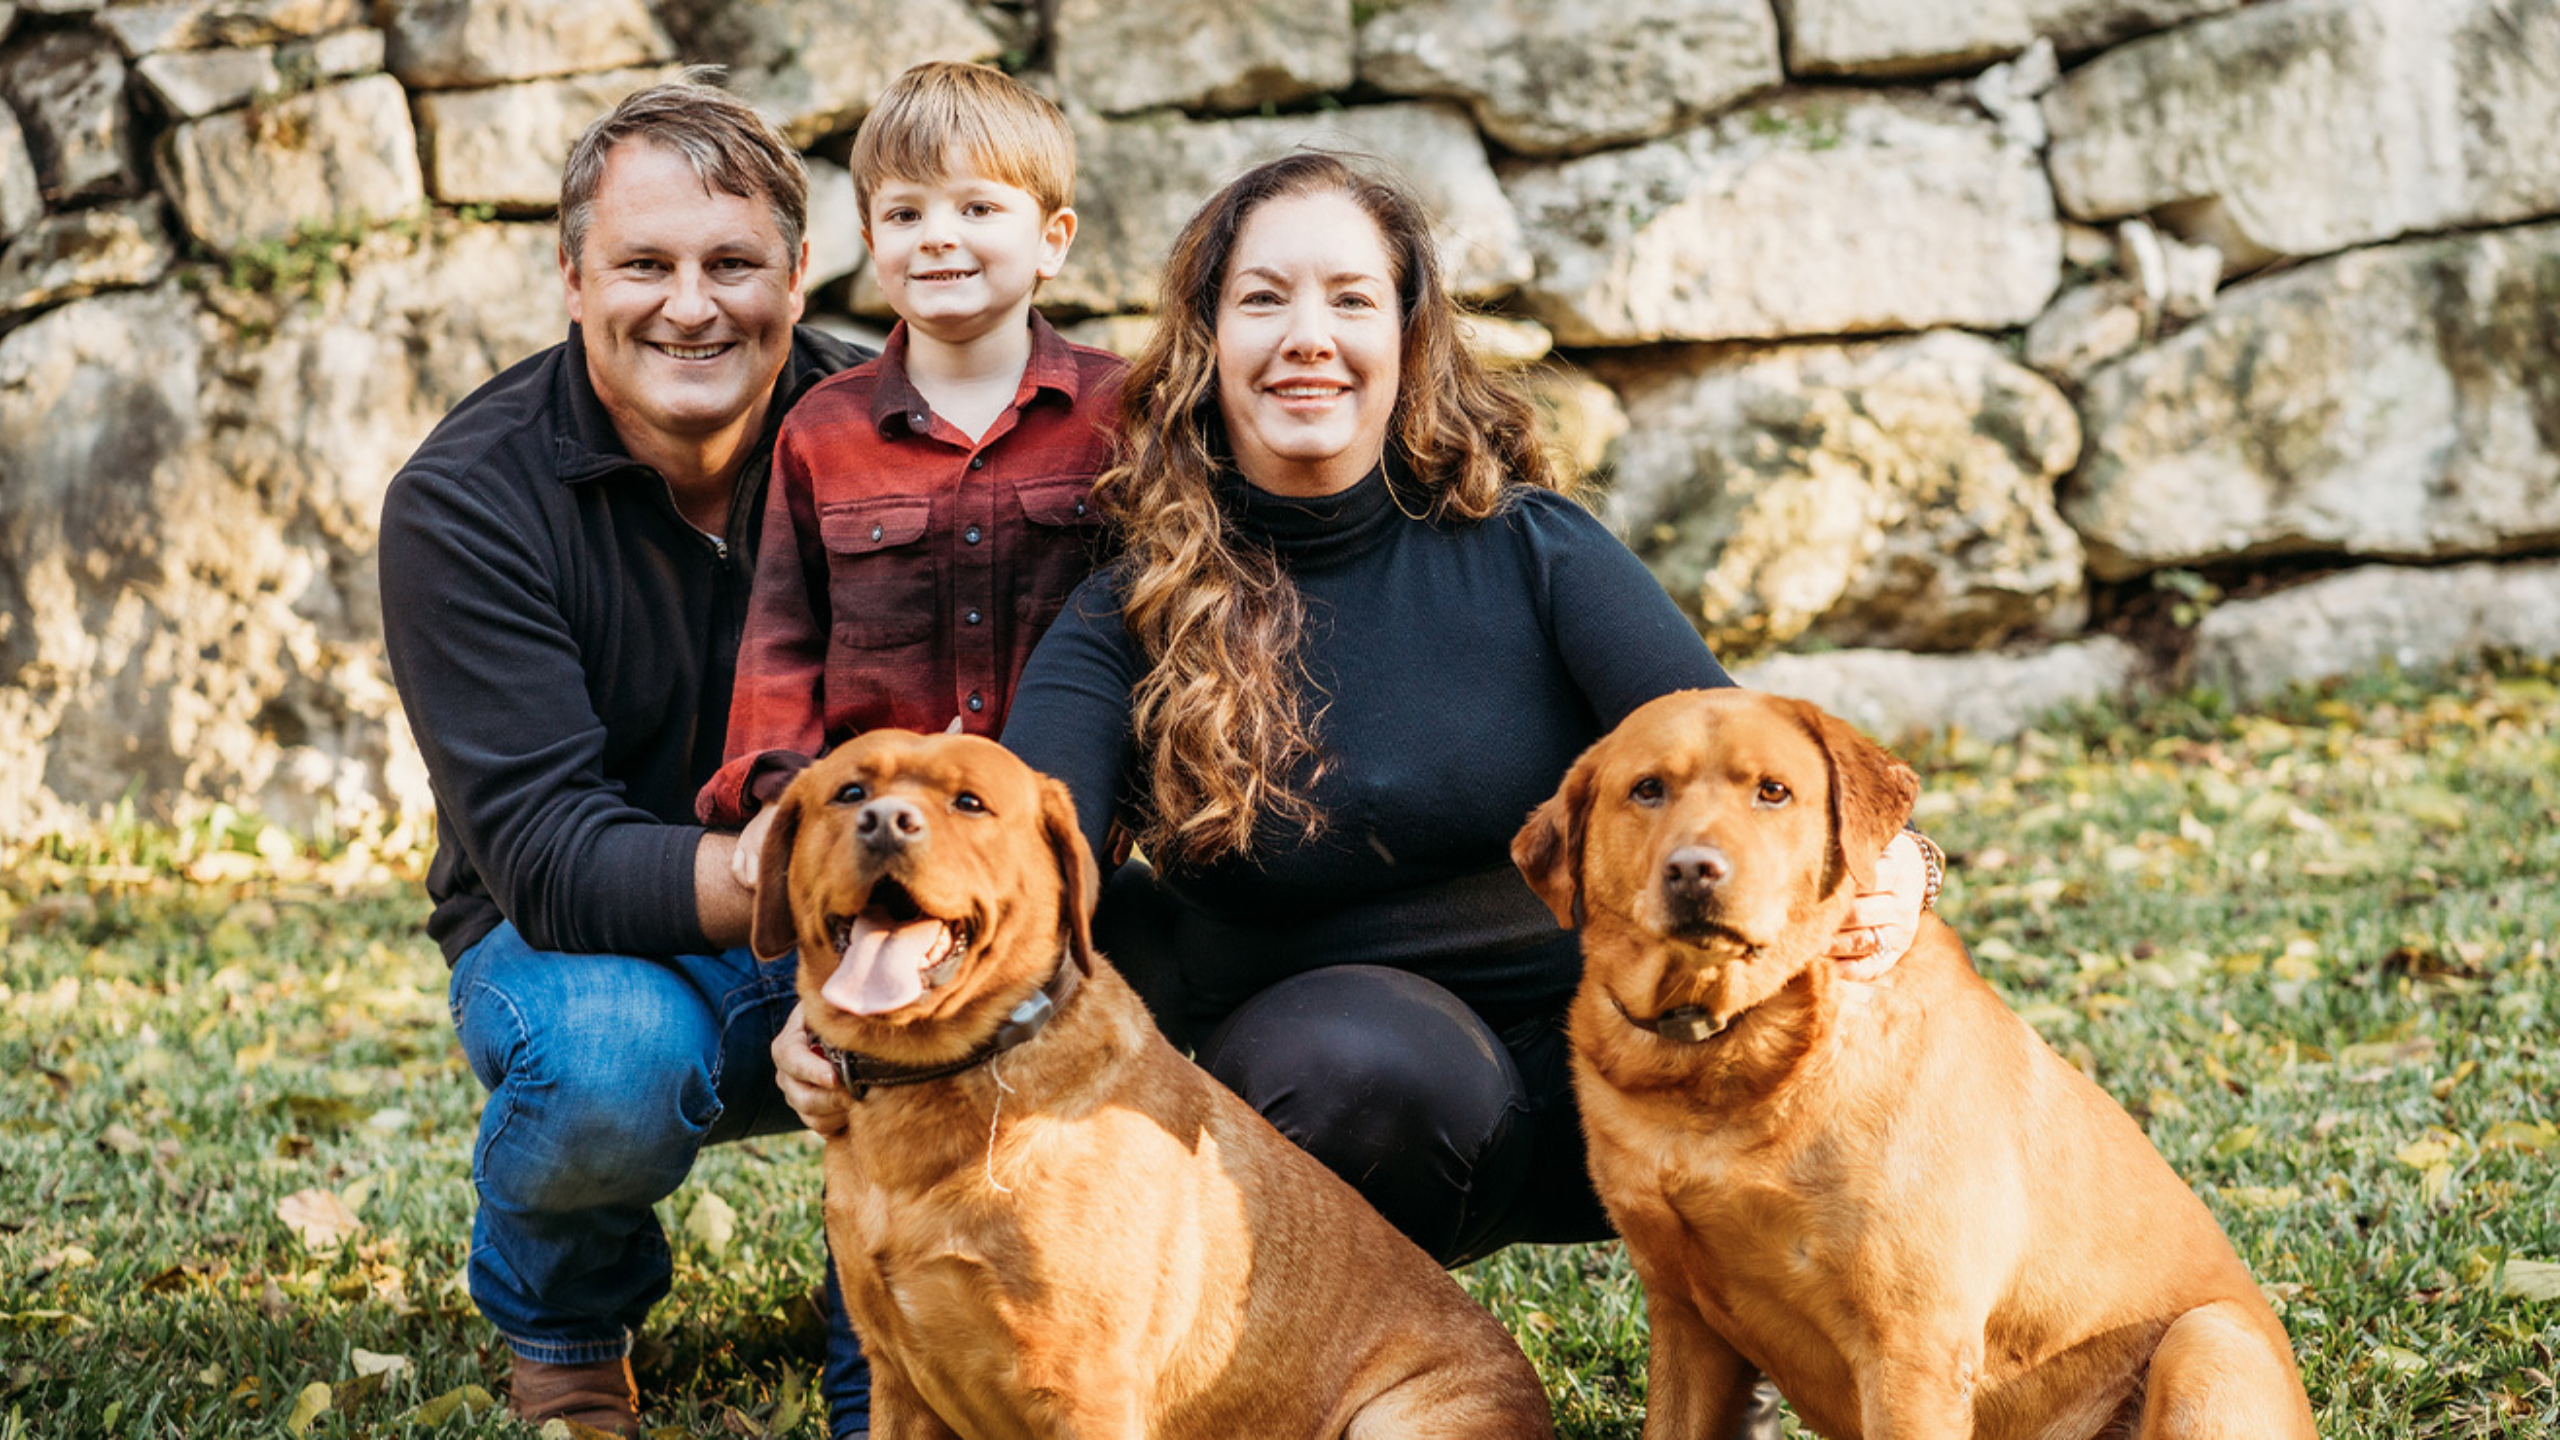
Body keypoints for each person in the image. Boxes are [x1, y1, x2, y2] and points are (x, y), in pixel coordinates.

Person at [768, 152, 1929, 1435]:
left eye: (1349, 300)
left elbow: (1745, 767)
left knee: (1383, 1056)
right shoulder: (1131, 608)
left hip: (1606, 1087)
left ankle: (1698, 1324)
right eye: (1263, 301)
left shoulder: (1534, 552)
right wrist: (851, 1008)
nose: (1306, 339)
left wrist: (1902, 871)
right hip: (1329, 1095)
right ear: (1206, 341)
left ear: (1409, 335)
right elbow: (1022, 852)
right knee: (1325, 1045)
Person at [377, 74, 875, 1439]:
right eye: (644, 264)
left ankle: (893, 1349)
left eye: (733, 262)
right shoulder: (467, 501)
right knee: (606, 1060)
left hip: (854, 909)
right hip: (572, 938)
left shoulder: (891, 429)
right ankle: (569, 1314)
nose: (691, 304)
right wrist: (807, 874)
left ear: (800, 270)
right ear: (573, 280)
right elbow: (542, 850)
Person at [696, 61, 1124, 884]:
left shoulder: (1123, 412)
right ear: (871, 247)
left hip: (1064, 833)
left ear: (1053, 240)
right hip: (879, 837)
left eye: (977, 207)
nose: (936, 234)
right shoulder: (822, 429)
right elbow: (784, 636)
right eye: (904, 212)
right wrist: (779, 791)